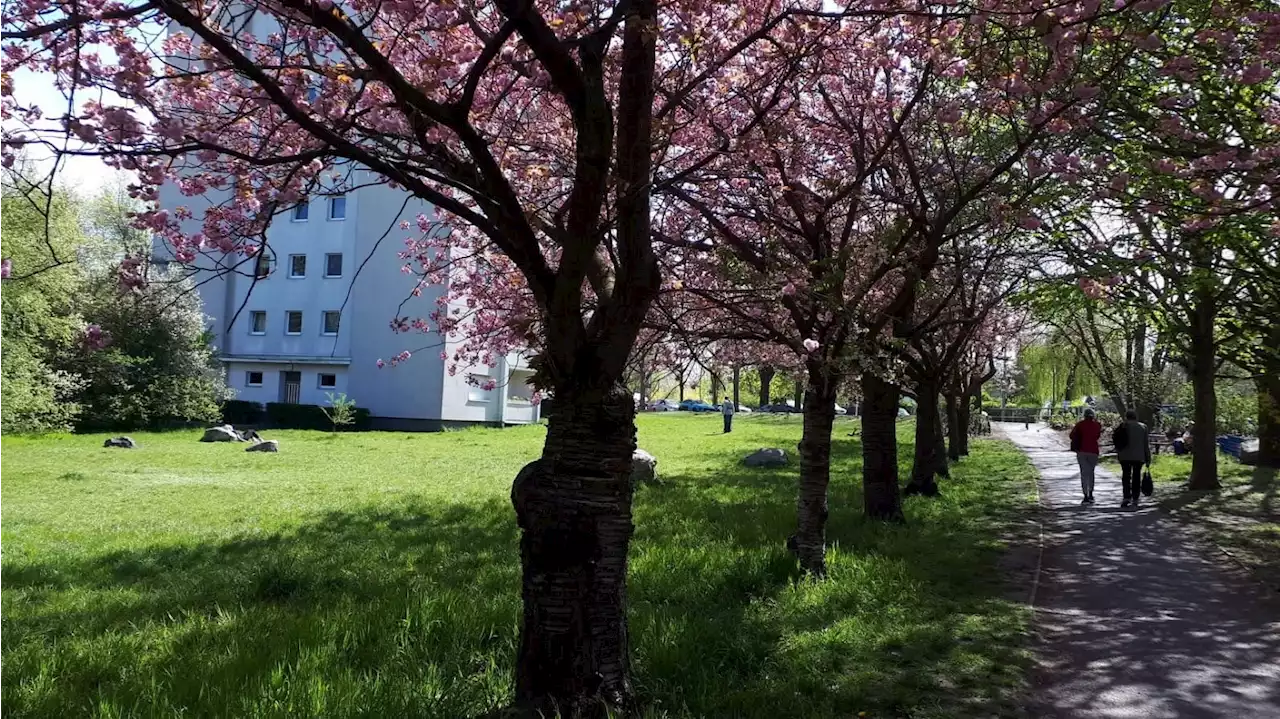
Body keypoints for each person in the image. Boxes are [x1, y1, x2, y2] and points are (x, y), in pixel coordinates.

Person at [1115, 409, 1152, 508]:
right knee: (1136, 476)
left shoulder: (1122, 426)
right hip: (1138, 456)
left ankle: (1126, 497)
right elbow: (1145, 445)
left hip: (1125, 456)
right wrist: (1148, 458)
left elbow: (1117, 441)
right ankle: (1135, 498)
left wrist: (1118, 453)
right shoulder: (1143, 427)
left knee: (1126, 476)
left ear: (1126, 417)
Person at [1069, 408, 1103, 504]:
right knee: (1091, 473)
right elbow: (1097, 436)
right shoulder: (1097, 425)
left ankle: (1085, 495)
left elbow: (1071, 436)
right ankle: (1091, 493)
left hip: (1082, 451)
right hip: (1093, 451)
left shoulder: (1080, 425)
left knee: (1084, 473)